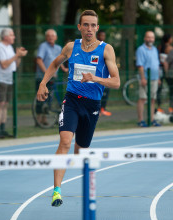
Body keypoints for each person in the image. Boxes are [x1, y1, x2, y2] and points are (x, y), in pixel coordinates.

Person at [37, 10, 120, 207]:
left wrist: (96, 78)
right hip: (72, 100)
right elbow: (55, 64)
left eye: (93, 25)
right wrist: (43, 83)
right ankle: (56, 190)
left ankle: (76, 159)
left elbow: (116, 82)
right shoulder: (70, 47)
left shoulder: (106, 49)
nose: (89, 29)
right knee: (65, 141)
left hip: (92, 104)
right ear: (79, 27)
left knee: (81, 150)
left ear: (97, 28)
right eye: (86, 25)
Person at [0, 28, 28, 138]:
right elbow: (4, 64)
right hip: (0, 79)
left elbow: (14, 65)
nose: (14, 37)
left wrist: (19, 57)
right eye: (12, 35)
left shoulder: (9, 47)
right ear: (5, 36)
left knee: (5, 104)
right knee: (0, 104)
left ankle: (2, 128)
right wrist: (16, 55)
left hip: (9, 79)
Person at [35, 29, 68, 125]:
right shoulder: (43, 46)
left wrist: (64, 69)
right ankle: (38, 120)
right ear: (46, 37)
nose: (51, 37)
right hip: (42, 77)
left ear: (56, 38)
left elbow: (58, 60)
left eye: (52, 36)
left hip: (54, 77)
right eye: (49, 36)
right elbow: (39, 60)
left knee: (49, 97)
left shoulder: (58, 48)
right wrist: (47, 73)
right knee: (40, 98)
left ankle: (44, 119)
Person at [136, 31, 161, 127]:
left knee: (153, 99)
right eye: (148, 37)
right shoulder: (141, 49)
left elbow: (157, 64)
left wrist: (158, 78)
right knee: (142, 98)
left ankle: (152, 120)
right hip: (145, 78)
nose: (150, 39)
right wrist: (143, 78)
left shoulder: (155, 49)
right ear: (145, 38)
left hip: (154, 78)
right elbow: (140, 65)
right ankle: (141, 120)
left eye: (152, 37)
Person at [157, 33, 173, 113]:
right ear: (169, 39)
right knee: (172, 88)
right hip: (166, 70)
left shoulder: (160, 47)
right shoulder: (170, 48)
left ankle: (159, 106)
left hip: (160, 69)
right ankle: (171, 106)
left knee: (159, 89)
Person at [97, 30, 112, 116]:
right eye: (100, 35)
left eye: (103, 35)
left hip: (106, 75)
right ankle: (97, 109)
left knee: (106, 93)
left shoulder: (107, 47)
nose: (102, 37)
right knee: (99, 93)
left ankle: (103, 109)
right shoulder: (95, 47)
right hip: (98, 75)